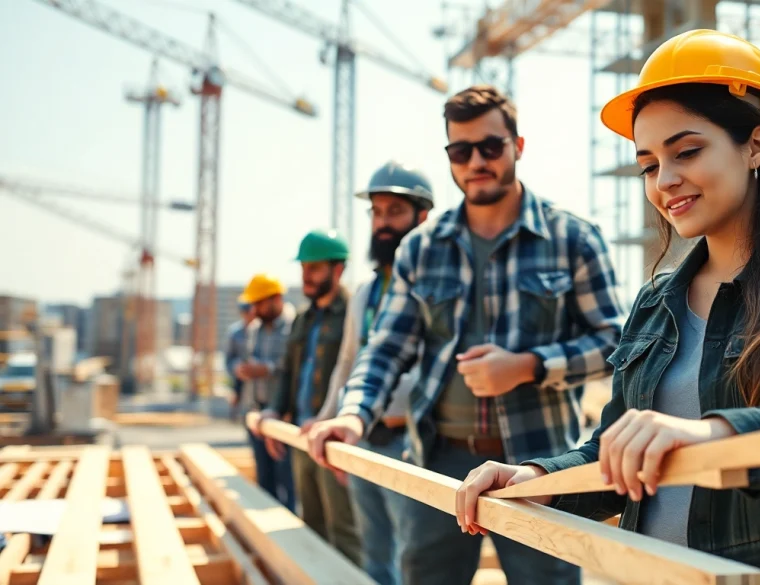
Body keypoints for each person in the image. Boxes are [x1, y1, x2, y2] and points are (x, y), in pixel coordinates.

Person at [454, 30, 760, 585]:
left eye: (687, 151)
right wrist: (537, 478)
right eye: (649, 164)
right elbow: (613, 457)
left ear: (756, 146)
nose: (665, 181)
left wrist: (711, 436)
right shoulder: (657, 301)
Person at [308, 84, 627, 585]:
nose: (476, 161)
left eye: (490, 147)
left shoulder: (573, 239)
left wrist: (528, 366)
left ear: (518, 146)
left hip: (537, 463)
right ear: (450, 157)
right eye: (461, 151)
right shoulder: (422, 248)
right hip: (439, 461)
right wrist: (352, 414)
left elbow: (615, 344)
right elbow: (386, 348)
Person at [314, 161, 434, 585]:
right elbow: (348, 362)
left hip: (412, 445)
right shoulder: (365, 291)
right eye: (377, 212)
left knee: (413, 559)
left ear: (423, 217)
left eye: (395, 212)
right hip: (365, 439)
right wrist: (330, 418)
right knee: (376, 555)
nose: (383, 223)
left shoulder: (435, 285)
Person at [247, 230, 362, 566]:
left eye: (314, 268)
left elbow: (354, 371)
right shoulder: (303, 317)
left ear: (337, 270)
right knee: (311, 525)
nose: (306, 276)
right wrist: (274, 411)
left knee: (344, 531)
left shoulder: (352, 313)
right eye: (303, 268)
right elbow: (288, 371)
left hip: (333, 439)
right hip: (302, 434)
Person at [234, 274, 296, 512]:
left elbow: (292, 369)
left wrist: (266, 369)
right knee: (264, 478)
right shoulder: (255, 328)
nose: (255, 309)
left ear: (276, 299)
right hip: (258, 412)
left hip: (283, 415)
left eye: (259, 303)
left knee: (287, 480)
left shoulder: (293, 327)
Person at [224, 301, 254, 419]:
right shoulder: (235, 332)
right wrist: (237, 368)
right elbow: (228, 359)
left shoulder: (262, 329)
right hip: (240, 377)